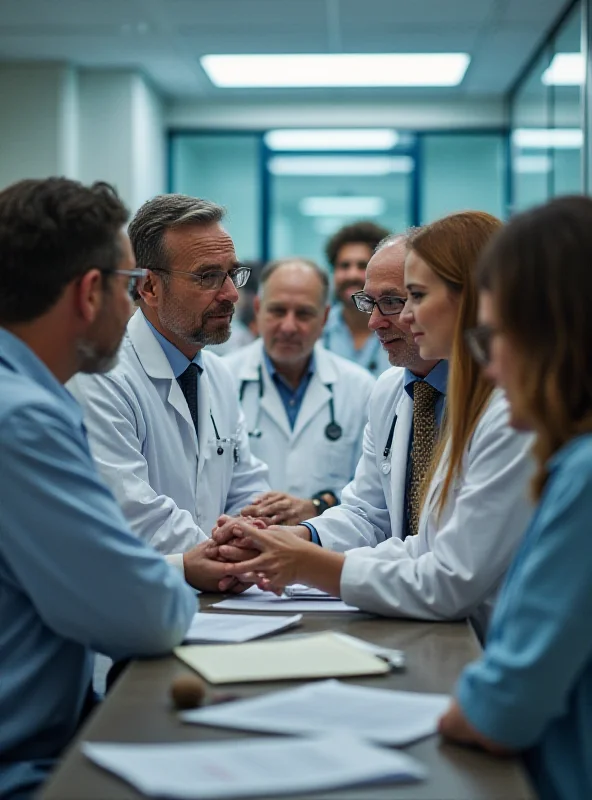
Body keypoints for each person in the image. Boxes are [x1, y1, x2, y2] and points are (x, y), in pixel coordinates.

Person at [212, 211, 534, 641]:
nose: (376, 322)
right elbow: (377, 517)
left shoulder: (507, 409)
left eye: (405, 299)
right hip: (422, 622)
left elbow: (448, 572)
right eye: (369, 303)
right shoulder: (391, 392)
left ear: (470, 298)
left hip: (492, 636)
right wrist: (295, 538)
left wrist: (304, 561)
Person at [0, 178, 196, 799]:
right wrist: (178, 576)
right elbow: (144, 614)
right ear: (90, 292)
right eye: (129, 284)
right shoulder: (21, 420)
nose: (134, 303)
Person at [438, 196, 592, 800]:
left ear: (551, 336)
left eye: (496, 336)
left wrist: (460, 712)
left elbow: (499, 714)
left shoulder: (583, 476)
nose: (491, 366)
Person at [69, 195, 270, 585]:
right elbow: (134, 512)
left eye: (232, 273)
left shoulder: (218, 375)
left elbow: (247, 486)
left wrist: (252, 536)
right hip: (138, 599)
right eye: (207, 276)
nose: (230, 294)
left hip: (221, 595)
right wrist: (230, 558)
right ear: (149, 287)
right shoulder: (101, 377)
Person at [223, 258, 375, 525]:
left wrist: (317, 507)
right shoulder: (221, 380)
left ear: (325, 318)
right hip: (239, 551)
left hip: (325, 552)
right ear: (258, 310)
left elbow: (371, 493)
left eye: (303, 314)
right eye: (278, 311)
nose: (289, 327)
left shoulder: (360, 388)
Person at [322, 220, 392, 376]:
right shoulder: (319, 330)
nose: (352, 275)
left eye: (362, 266)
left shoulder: (401, 328)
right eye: (344, 266)